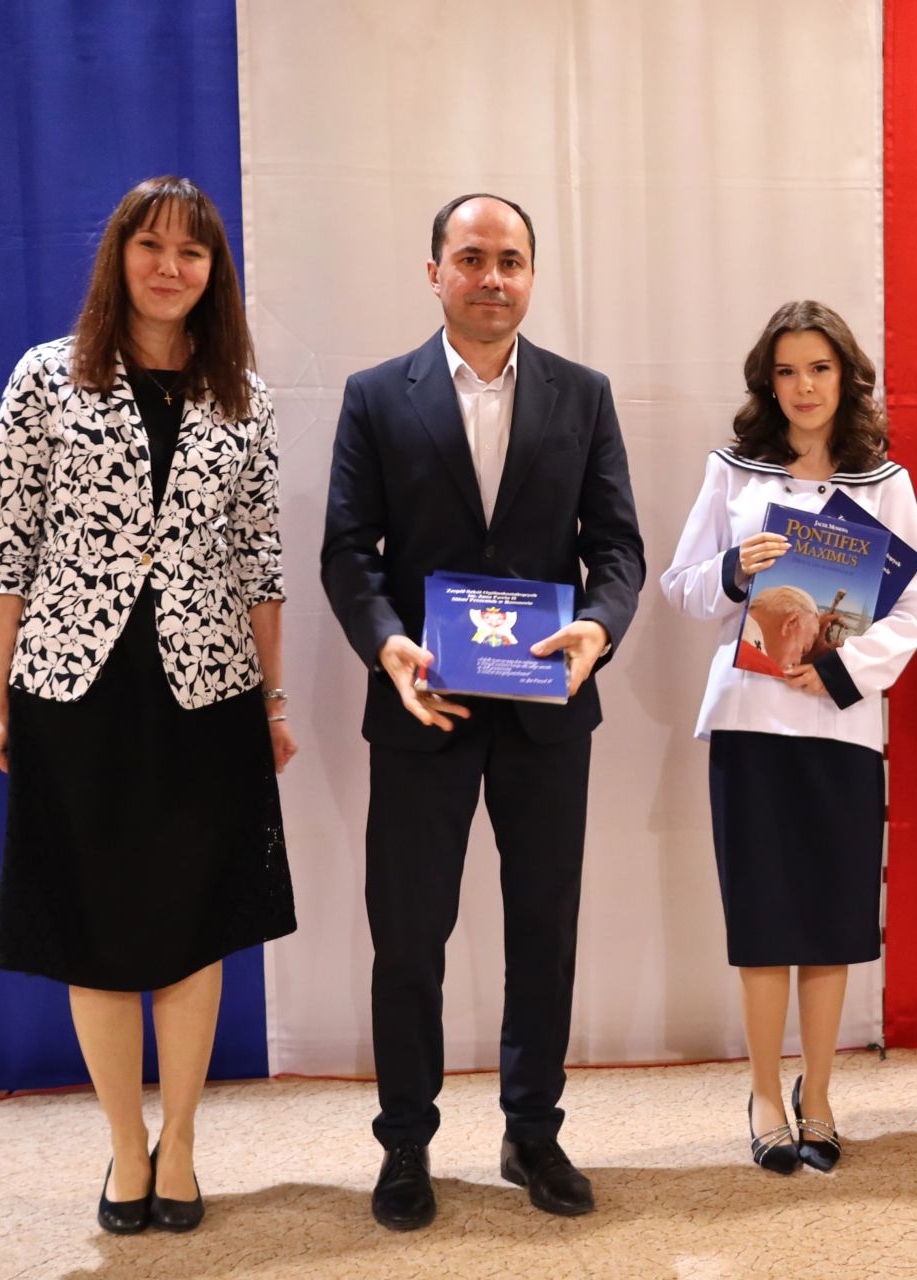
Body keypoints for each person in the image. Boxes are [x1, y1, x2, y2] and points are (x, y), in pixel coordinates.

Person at [0, 175, 297, 1235]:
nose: (170, 267)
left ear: (213, 273)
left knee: (195, 925)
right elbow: (6, 546)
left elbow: (260, 564)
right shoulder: (46, 378)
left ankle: (183, 1142)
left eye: (191, 252)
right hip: (77, 691)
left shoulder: (242, 394)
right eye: (151, 246)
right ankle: (125, 1147)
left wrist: (275, 702)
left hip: (207, 693)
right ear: (118, 256)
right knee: (97, 928)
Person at [321, 193, 644, 1227]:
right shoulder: (378, 395)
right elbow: (347, 551)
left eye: (510, 259)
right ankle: (405, 1142)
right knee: (409, 936)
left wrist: (598, 629)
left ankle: (532, 1131)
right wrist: (387, 645)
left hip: (549, 708)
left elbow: (618, 549)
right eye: (471, 258)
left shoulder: (583, 394)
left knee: (543, 930)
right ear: (435, 273)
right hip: (426, 707)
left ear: (532, 275)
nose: (491, 276)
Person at [661, 300, 917, 1174]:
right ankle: (763, 1094)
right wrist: (728, 572)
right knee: (763, 918)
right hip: (750, 723)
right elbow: (679, 585)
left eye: (819, 368)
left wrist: (843, 668)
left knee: (830, 916)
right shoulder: (733, 473)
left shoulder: (883, 482)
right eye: (787, 371)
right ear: (767, 382)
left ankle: (818, 1094)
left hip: (840, 728)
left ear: (845, 376)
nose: (804, 386)